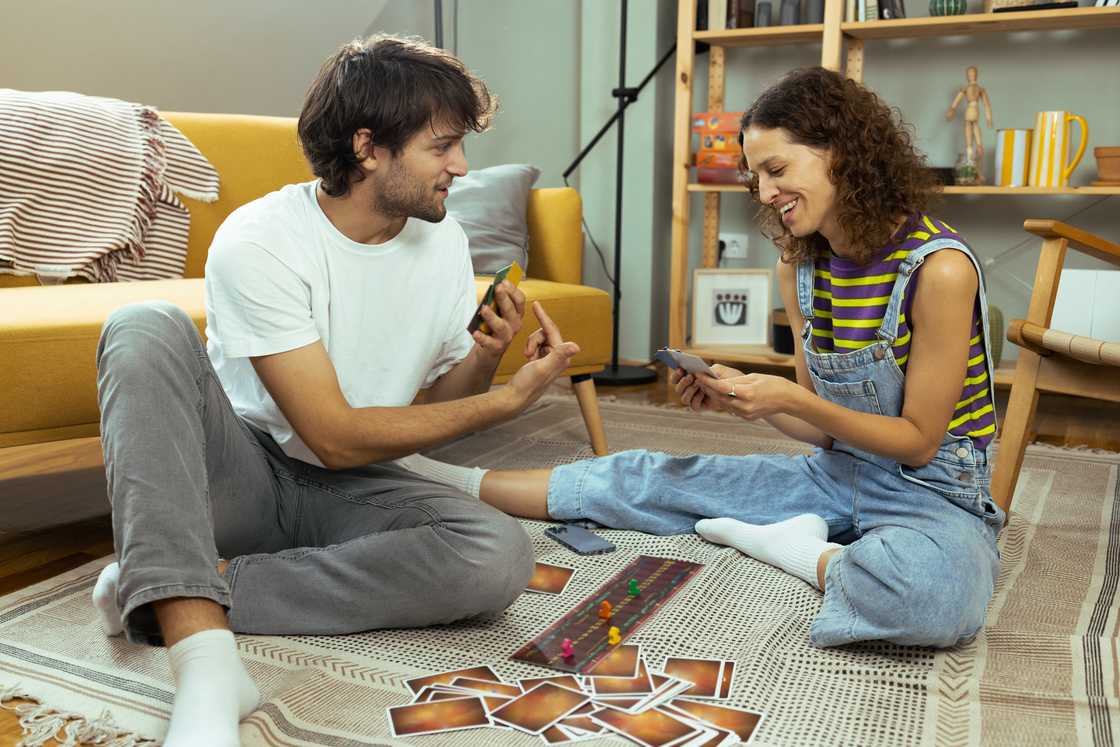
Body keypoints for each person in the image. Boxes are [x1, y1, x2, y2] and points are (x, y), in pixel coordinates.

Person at [92, 35, 579, 747]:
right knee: (141, 325)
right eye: (442, 147)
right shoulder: (261, 239)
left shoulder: (441, 241)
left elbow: (428, 410)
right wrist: (506, 404)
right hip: (246, 475)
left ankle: (176, 590)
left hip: (356, 488)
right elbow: (331, 432)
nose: (461, 167)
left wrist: (487, 358)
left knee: (496, 554)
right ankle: (205, 661)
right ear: (368, 147)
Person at [470, 66, 1004, 651]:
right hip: (834, 474)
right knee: (654, 477)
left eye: (777, 170)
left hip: (931, 488)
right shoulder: (801, 268)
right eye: (757, 176)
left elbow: (921, 440)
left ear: (844, 155)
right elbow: (822, 432)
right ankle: (439, 477)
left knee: (932, 597)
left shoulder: (940, 269)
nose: (766, 194)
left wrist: (793, 399)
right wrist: (746, 400)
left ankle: (795, 547)